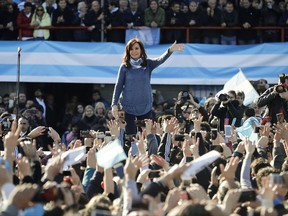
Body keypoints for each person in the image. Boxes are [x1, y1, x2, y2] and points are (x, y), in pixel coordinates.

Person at [111, 38, 184, 135]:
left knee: (147, 135)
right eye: (131, 49)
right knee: (130, 137)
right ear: (128, 52)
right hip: (128, 108)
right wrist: (114, 104)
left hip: (145, 107)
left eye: (136, 48)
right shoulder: (124, 67)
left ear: (141, 50)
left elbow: (160, 60)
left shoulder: (148, 64)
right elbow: (118, 86)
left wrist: (170, 50)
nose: (134, 51)